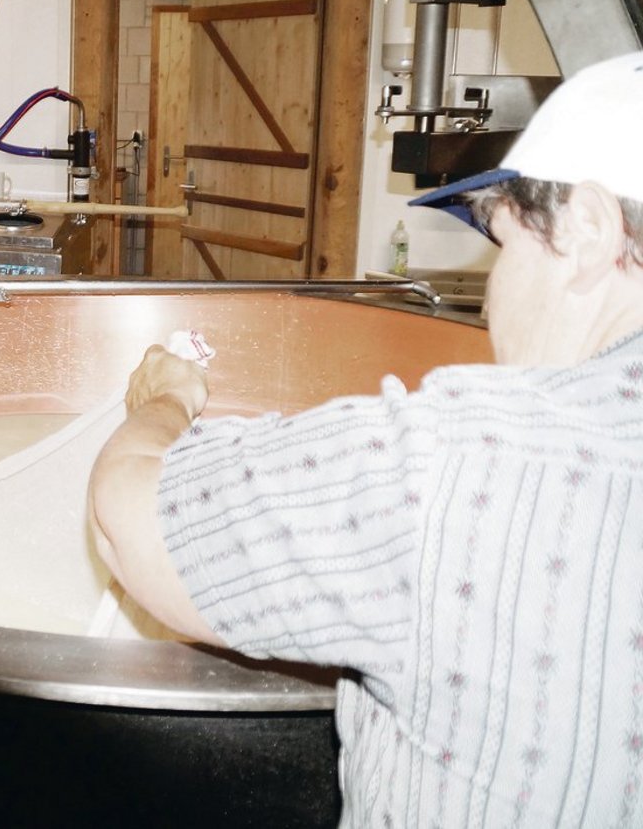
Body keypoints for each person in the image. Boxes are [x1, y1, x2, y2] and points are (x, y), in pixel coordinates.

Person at [89, 50, 643, 826]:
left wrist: (167, 403)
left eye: (505, 245)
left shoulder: (467, 458)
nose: (492, 296)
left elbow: (132, 516)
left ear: (587, 229)